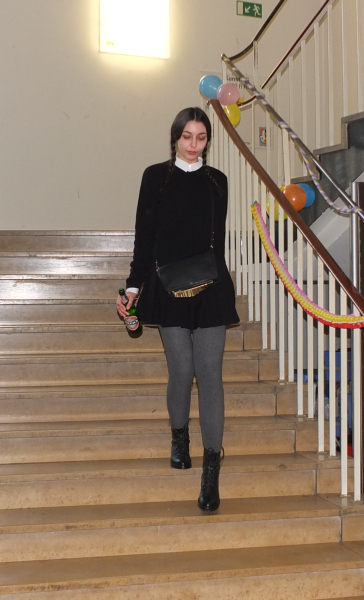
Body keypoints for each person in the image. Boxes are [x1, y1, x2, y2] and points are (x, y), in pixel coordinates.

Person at [116, 107, 239, 511]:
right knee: (182, 371)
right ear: (175, 137)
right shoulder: (156, 177)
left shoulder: (217, 181)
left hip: (210, 286)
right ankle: (179, 434)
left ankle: (211, 468)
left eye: (201, 137)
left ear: (207, 141)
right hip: (168, 285)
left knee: (210, 375)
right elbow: (145, 235)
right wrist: (134, 286)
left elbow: (216, 240)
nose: (193, 144)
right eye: (187, 136)